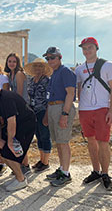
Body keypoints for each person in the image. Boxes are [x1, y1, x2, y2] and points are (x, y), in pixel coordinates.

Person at [75, 37, 112, 191]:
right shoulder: (79, 69)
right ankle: (96, 171)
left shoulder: (107, 65)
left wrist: (111, 111)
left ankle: (106, 174)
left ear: (96, 48)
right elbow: (80, 90)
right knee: (91, 141)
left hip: (101, 109)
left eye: (90, 48)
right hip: (85, 110)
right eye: (84, 48)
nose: (87, 51)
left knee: (103, 142)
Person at [0, 78, 36, 191]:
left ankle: (21, 180)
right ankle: (18, 173)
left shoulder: (7, 98)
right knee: (0, 150)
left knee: (10, 151)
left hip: (26, 124)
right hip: (13, 124)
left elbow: (12, 120)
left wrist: (10, 141)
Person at [42, 47, 76, 187]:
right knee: (58, 141)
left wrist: (65, 113)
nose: (50, 60)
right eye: (47, 58)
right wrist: (47, 115)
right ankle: (62, 169)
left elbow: (70, 93)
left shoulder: (65, 71)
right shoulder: (54, 73)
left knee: (63, 141)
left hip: (62, 107)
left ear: (60, 57)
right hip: (53, 107)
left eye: (52, 57)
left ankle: (66, 173)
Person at [24, 58, 53, 172]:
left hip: (43, 111)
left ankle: (46, 162)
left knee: (45, 136)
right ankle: (42, 160)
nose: (37, 68)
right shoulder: (31, 80)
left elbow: (49, 98)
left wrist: (47, 114)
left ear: (44, 68)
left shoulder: (47, 80)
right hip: (33, 111)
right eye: (36, 66)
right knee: (39, 136)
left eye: (40, 66)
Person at [5, 53, 31, 174]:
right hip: (17, 107)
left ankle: (25, 165)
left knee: (21, 138)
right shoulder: (10, 75)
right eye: (9, 61)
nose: (11, 64)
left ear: (17, 63)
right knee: (18, 138)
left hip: (22, 107)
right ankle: (21, 163)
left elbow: (20, 93)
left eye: (14, 61)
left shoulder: (19, 74)